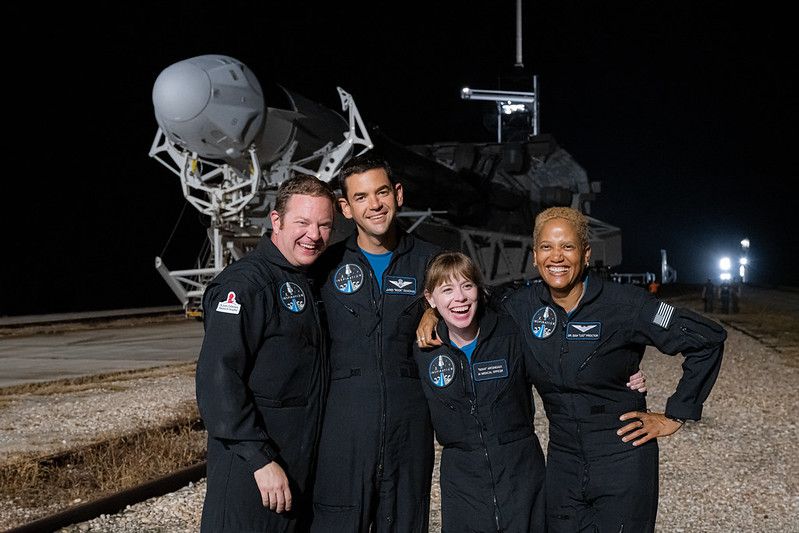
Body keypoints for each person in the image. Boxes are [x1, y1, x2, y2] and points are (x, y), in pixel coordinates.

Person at [418, 206, 725, 532]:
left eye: (568, 247)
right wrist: (430, 313)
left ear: (586, 253)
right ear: (535, 257)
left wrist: (676, 414)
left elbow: (706, 339)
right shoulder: (521, 307)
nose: (557, 257)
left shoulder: (625, 304)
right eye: (547, 247)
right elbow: (466, 300)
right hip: (563, 465)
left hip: (621, 460)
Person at [195, 175, 335, 532]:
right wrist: (260, 460)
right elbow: (219, 380)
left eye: (323, 225)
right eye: (302, 223)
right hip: (254, 471)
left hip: (295, 464)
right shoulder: (245, 285)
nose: (314, 235)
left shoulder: (308, 280)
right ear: (276, 221)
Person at [310, 153, 440, 532]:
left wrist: (435, 312)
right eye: (361, 197)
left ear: (398, 194)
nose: (375, 205)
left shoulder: (431, 262)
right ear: (345, 208)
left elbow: (477, 306)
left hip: (409, 426)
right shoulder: (326, 266)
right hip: (342, 426)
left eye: (381, 192)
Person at [413, 251, 546, 532]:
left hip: (521, 474)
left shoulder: (511, 335)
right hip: (462, 482)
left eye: (467, 286)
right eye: (447, 290)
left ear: (479, 291)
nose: (459, 298)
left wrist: (623, 376)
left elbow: (557, 375)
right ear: (430, 299)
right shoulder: (422, 352)